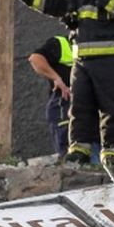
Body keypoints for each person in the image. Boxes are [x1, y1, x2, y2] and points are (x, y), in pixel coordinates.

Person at [14, 0, 114, 167]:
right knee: (79, 107)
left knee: (110, 107)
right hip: (82, 63)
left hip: (109, 61)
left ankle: (112, 153)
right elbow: (50, 3)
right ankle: (79, 149)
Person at [27, 25, 79, 158]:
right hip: (64, 101)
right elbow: (35, 59)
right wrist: (57, 78)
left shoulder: (90, 49)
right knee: (68, 146)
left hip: (84, 102)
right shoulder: (61, 43)